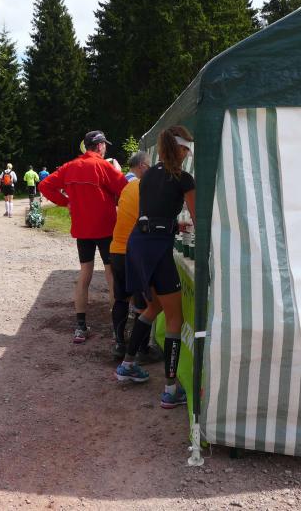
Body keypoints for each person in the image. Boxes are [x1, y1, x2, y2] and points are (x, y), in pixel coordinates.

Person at [116, 125, 196, 410]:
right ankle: (170, 390)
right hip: (157, 249)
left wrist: (174, 225)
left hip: (137, 244)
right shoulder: (183, 178)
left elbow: (153, 212)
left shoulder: (148, 175)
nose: (187, 154)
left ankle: (127, 365)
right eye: (186, 149)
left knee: (154, 308)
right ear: (179, 148)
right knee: (176, 319)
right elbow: (199, 218)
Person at [39, 130, 128, 344]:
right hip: (106, 229)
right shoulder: (103, 165)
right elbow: (126, 189)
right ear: (100, 146)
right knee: (111, 274)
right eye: (105, 145)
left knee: (85, 272)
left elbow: (44, 186)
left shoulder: (70, 166)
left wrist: (66, 202)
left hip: (82, 230)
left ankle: (80, 327)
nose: (105, 148)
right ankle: (117, 330)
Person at [109, 151, 161, 363]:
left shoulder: (128, 187)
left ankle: (119, 345)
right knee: (143, 303)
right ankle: (142, 350)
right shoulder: (146, 187)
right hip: (134, 252)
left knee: (121, 298)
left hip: (116, 249)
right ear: (144, 166)